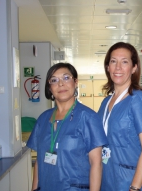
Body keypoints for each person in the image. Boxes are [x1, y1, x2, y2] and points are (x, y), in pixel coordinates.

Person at [27, 63, 107, 191]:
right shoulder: (43, 119)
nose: (60, 84)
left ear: (75, 82)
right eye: (54, 80)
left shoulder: (88, 117)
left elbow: (96, 163)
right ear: (49, 87)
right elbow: (39, 161)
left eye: (66, 78)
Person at [97, 42, 142, 191]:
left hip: (132, 181)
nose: (118, 67)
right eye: (113, 61)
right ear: (107, 67)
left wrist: (134, 188)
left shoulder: (139, 101)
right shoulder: (106, 102)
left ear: (134, 68)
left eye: (124, 62)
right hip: (108, 179)